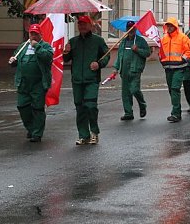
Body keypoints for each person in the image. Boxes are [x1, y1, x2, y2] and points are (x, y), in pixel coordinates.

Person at [63, 15, 110, 145]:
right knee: (80, 108)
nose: (82, 26)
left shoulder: (98, 41)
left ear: (90, 25)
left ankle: (94, 132)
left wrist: (98, 64)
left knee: (90, 106)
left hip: (91, 79)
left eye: (84, 24)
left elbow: (106, 56)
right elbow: (66, 59)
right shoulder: (73, 42)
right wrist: (66, 52)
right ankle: (83, 135)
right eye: (80, 24)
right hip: (77, 80)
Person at [8, 24, 53, 142]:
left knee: (37, 108)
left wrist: (37, 46)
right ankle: (31, 128)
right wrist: (13, 61)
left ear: (40, 35)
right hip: (23, 82)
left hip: (38, 83)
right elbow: (16, 58)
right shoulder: (23, 46)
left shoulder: (45, 46)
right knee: (22, 106)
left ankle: (37, 133)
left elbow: (48, 57)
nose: (33, 36)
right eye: (31, 33)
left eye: (35, 34)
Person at [113, 20, 150, 120]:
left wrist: (137, 50)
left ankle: (142, 105)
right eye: (129, 28)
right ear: (126, 29)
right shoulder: (123, 42)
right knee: (125, 93)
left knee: (134, 90)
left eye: (132, 28)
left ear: (135, 28)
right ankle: (128, 113)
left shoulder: (140, 41)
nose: (131, 30)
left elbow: (147, 53)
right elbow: (119, 56)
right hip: (124, 70)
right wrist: (116, 68)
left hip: (135, 69)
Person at [159, 17, 190, 122]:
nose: (169, 27)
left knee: (174, 89)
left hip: (179, 68)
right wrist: (161, 60)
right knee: (171, 90)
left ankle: (176, 113)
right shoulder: (164, 39)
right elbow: (161, 52)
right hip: (168, 68)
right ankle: (176, 110)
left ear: (175, 27)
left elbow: (189, 51)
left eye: (171, 26)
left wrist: (183, 59)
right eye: (167, 26)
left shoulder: (183, 38)